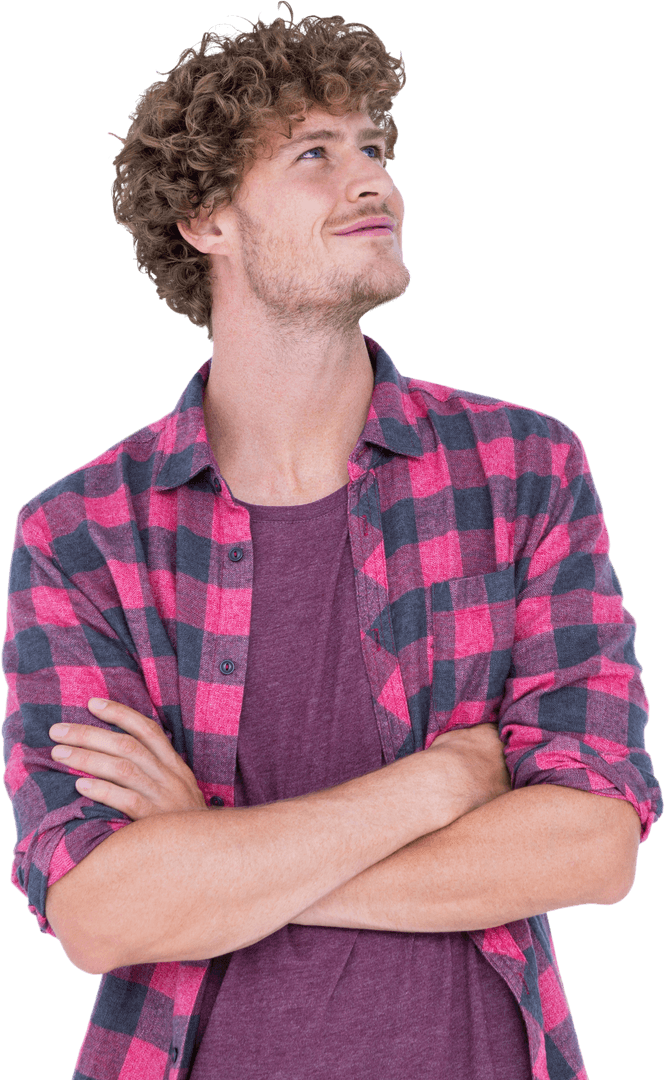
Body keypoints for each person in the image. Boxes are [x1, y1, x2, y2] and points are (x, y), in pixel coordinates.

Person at [2, 8, 661, 1080]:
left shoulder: (520, 469)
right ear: (207, 218)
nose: (373, 183)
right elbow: (101, 913)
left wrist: (215, 854)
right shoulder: (82, 537)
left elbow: (591, 848)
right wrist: (436, 786)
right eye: (315, 154)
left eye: (374, 150)